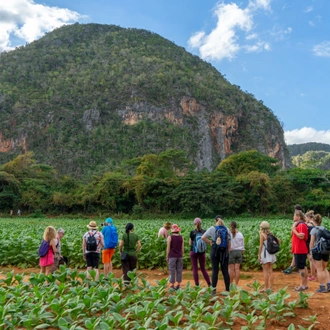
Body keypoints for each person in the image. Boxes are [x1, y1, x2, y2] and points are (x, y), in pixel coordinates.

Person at [202, 215, 231, 294]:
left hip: (215, 251)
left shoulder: (212, 228)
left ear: (215, 221)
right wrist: (228, 252)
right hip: (224, 252)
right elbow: (229, 242)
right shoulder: (227, 229)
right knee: (225, 271)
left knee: (215, 271)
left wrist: (210, 242)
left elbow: (203, 237)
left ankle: (213, 291)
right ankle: (227, 290)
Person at [309, 214, 330, 293]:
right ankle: (329, 284)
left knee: (319, 269)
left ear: (314, 221)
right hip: (326, 251)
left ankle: (322, 287)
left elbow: (312, 243)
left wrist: (311, 252)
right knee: (324, 269)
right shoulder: (325, 228)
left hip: (317, 251)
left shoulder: (314, 230)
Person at [189, 218, 211, 287]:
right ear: (201, 223)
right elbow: (206, 241)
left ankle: (197, 285)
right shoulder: (204, 231)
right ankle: (209, 284)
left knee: (195, 268)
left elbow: (190, 243)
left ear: (194, 224)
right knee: (203, 269)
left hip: (193, 251)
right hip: (202, 252)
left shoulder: (192, 232)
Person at [283, 204, 303, 274]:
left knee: (298, 255)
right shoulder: (298, 220)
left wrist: (293, 230)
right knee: (295, 254)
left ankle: (295, 268)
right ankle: (292, 268)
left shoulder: (300, 221)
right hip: (296, 239)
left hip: (299, 241)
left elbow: (299, 234)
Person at [292, 210, 309, 291]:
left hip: (300, 249)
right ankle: (305, 285)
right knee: (304, 267)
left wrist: (294, 229)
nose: (293, 217)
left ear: (298, 216)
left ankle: (302, 285)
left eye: (294, 215)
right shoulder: (300, 224)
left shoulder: (301, 225)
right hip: (300, 249)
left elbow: (301, 237)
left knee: (301, 268)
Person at [258, 221, 276, 291]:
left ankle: (266, 287)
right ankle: (270, 287)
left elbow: (261, 246)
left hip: (265, 254)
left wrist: (259, 255)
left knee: (265, 271)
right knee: (270, 271)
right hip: (271, 253)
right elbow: (278, 241)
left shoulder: (262, 235)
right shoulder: (271, 234)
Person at [166, 224, 184, 290]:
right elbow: (182, 248)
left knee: (172, 270)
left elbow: (168, 248)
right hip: (179, 256)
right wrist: (181, 255)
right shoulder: (181, 237)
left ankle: (172, 285)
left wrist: (167, 256)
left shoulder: (170, 237)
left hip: (172, 256)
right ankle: (178, 284)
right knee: (179, 270)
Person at [229, 221, 245, 285]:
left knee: (231, 269)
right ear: (236, 226)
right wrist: (242, 253)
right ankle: (236, 285)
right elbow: (243, 245)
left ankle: (230, 284)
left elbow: (228, 244)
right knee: (237, 269)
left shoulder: (229, 234)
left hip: (231, 252)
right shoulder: (240, 234)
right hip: (239, 252)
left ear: (230, 226)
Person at [305, 211, 316, 281]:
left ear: (308, 217)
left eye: (306, 217)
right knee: (313, 260)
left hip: (310, 243)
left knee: (311, 260)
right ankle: (313, 275)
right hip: (315, 243)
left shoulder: (309, 225)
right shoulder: (315, 224)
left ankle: (313, 275)